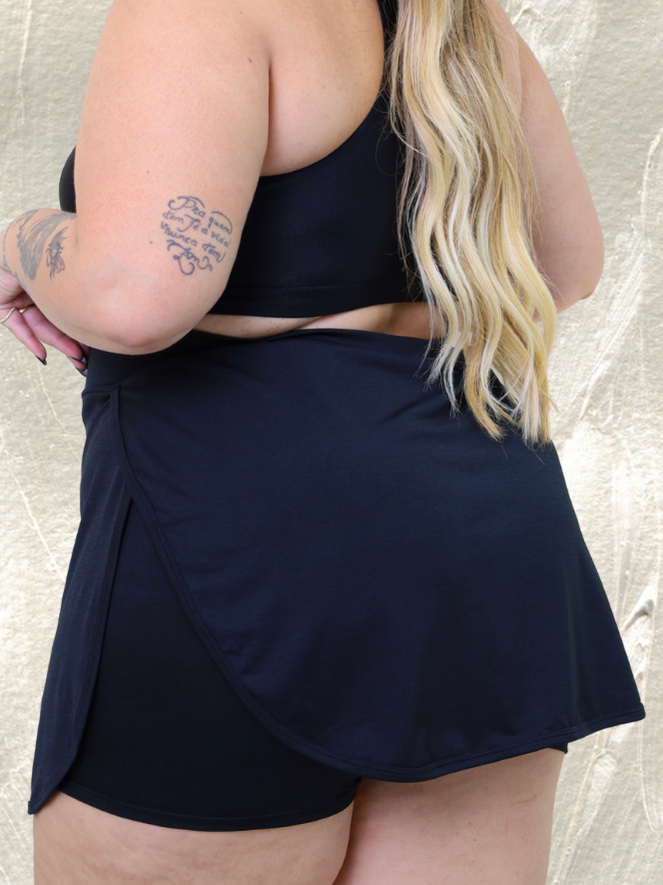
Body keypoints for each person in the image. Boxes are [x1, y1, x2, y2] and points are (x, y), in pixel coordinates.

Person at [0, 0, 645, 882]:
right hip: (483, 541)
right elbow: (564, 266)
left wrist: (23, 241)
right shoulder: (469, 19)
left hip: (244, 538)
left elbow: (135, 296)